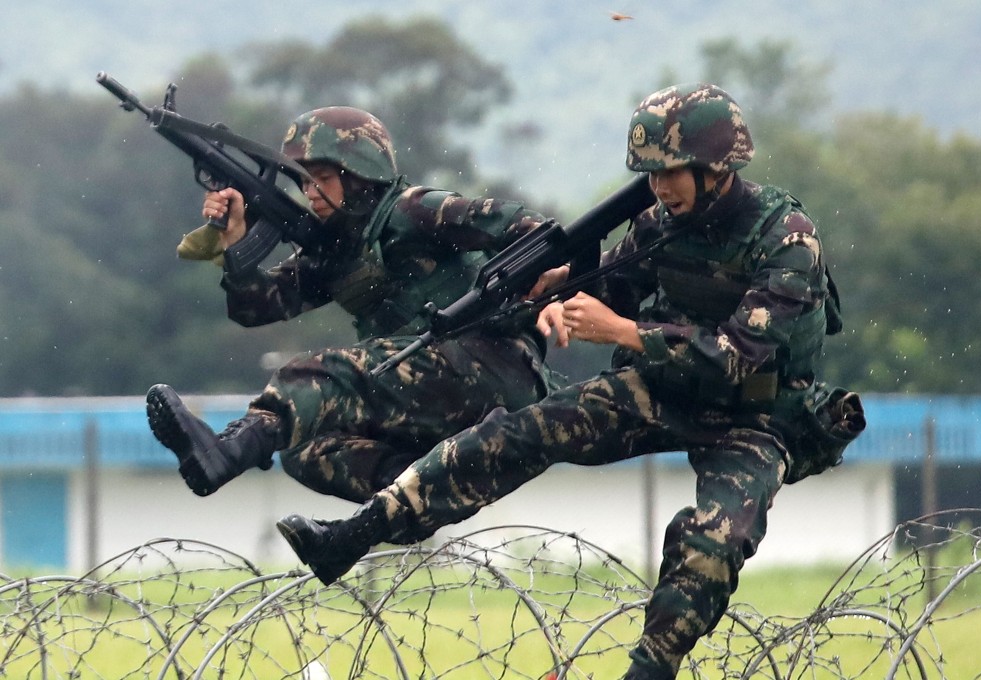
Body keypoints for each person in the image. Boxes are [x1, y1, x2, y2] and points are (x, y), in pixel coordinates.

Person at [274, 84, 865, 679]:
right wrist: (557, 297)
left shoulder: (786, 236)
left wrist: (624, 333)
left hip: (761, 415)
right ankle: (356, 533)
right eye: (650, 175)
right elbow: (612, 290)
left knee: (713, 541)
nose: (659, 189)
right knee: (516, 435)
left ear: (717, 167)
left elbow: (739, 356)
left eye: (672, 174)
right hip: (666, 391)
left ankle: (650, 670)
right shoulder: (660, 224)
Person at [146, 106, 558, 503]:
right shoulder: (337, 246)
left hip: (495, 367)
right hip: (430, 384)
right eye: (304, 182)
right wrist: (234, 243)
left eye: (322, 178)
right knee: (305, 447)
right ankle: (423, 492)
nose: (310, 193)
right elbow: (256, 309)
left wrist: (549, 282)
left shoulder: (414, 210)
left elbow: (528, 226)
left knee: (317, 375)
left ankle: (230, 450)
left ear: (361, 174)